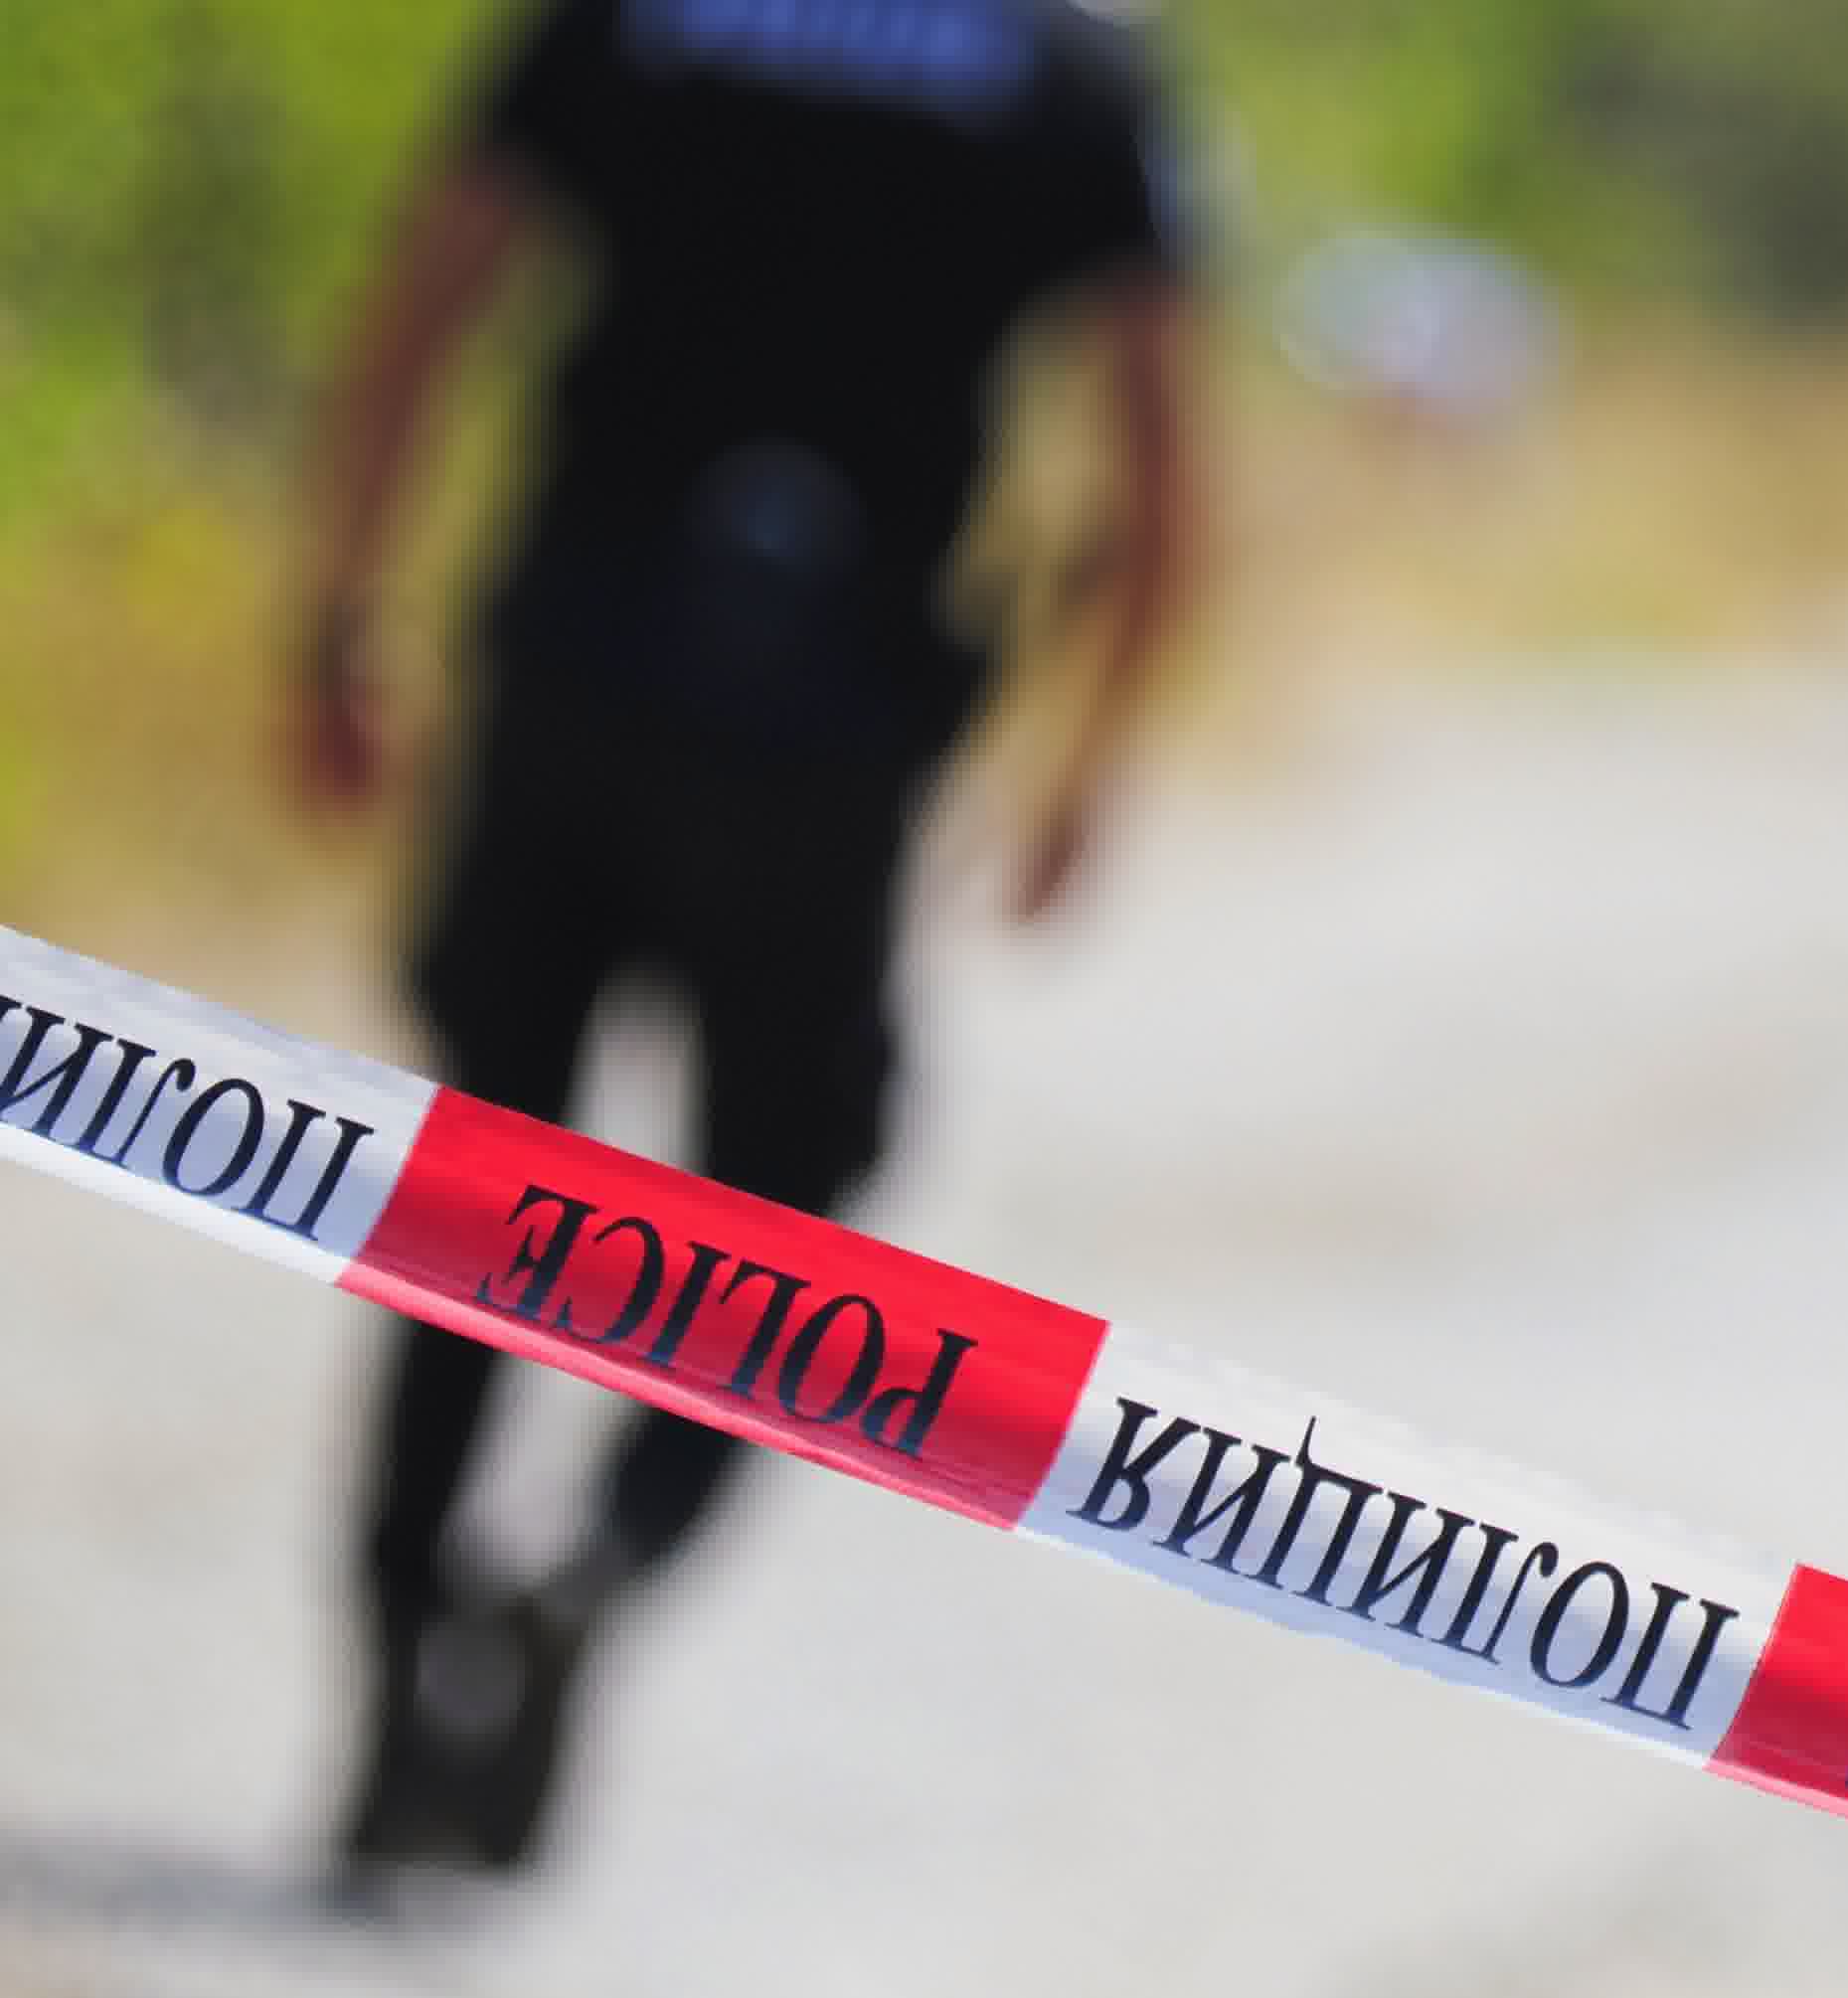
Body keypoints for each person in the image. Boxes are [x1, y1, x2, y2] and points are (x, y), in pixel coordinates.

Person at [288, 0, 1195, 1876]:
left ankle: (392, 1695)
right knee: (784, 1225)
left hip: (573, 673)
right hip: (829, 732)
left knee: (470, 1199)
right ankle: (599, 1558)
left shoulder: (638, 14)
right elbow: (1159, 455)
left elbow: (426, 297)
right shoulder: (1067, 73)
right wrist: (1088, 758)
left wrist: (342, 617)